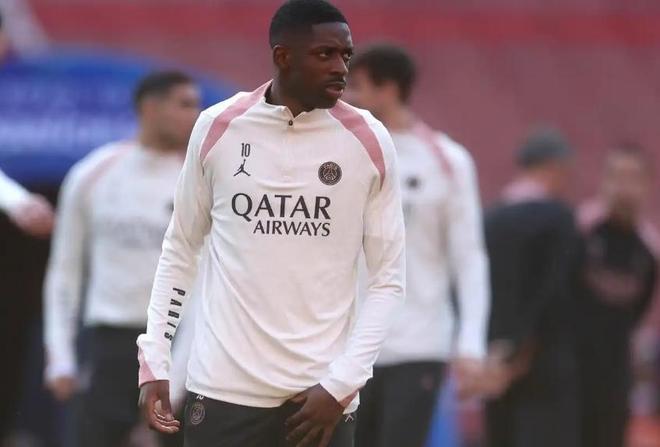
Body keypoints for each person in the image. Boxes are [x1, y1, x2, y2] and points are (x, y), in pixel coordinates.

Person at [136, 1, 406, 446]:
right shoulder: (218, 127)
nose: (341, 68)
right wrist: (156, 358)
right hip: (222, 391)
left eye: (346, 55)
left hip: (318, 399)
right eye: (325, 54)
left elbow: (388, 280)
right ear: (283, 56)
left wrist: (342, 383)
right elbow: (181, 247)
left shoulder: (370, 140)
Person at [43, 70, 201, 447]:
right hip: (109, 343)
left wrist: (179, 377)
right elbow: (65, 270)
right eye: (184, 104)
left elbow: (207, 284)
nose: (195, 115)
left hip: (177, 344)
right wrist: (60, 356)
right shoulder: (93, 173)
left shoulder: (199, 180)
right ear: (150, 107)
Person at [345, 44, 489, 447]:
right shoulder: (339, 153)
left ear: (388, 89)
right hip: (347, 346)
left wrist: (471, 343)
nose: (347, 96)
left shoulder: (447, 161)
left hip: (418, 343)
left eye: (357, 86)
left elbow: (469, 257)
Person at [484, 129, 581, 447]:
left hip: (494, 361)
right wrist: (523, 347)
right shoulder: (559, 218)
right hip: (544, 360)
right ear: (553, 166)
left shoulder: (491, 218)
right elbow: (555, 290)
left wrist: (500, 349)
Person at [576, 144, 658, 447]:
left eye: (633, 178)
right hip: (570, 375)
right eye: (617, 176)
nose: (624, 187)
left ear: (646, 186)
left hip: (614, 379)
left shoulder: (648, 251)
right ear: (604, 181)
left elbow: (638, 312)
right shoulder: (580, 232)